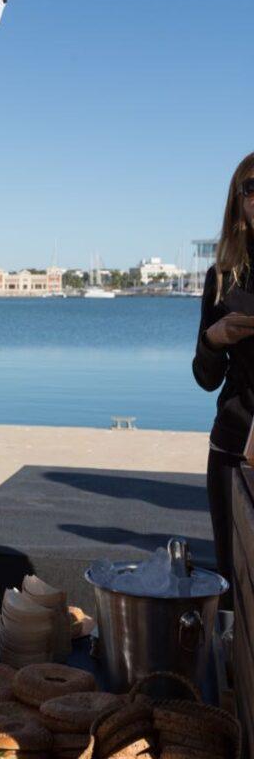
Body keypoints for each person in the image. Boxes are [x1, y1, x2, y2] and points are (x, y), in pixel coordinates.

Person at [193, 151, 254, 594]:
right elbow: (206, 377)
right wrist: (213, 339)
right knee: (232, 582)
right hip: (233, 444)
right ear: (238, 203)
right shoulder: (222, 278)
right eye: (253, 188)